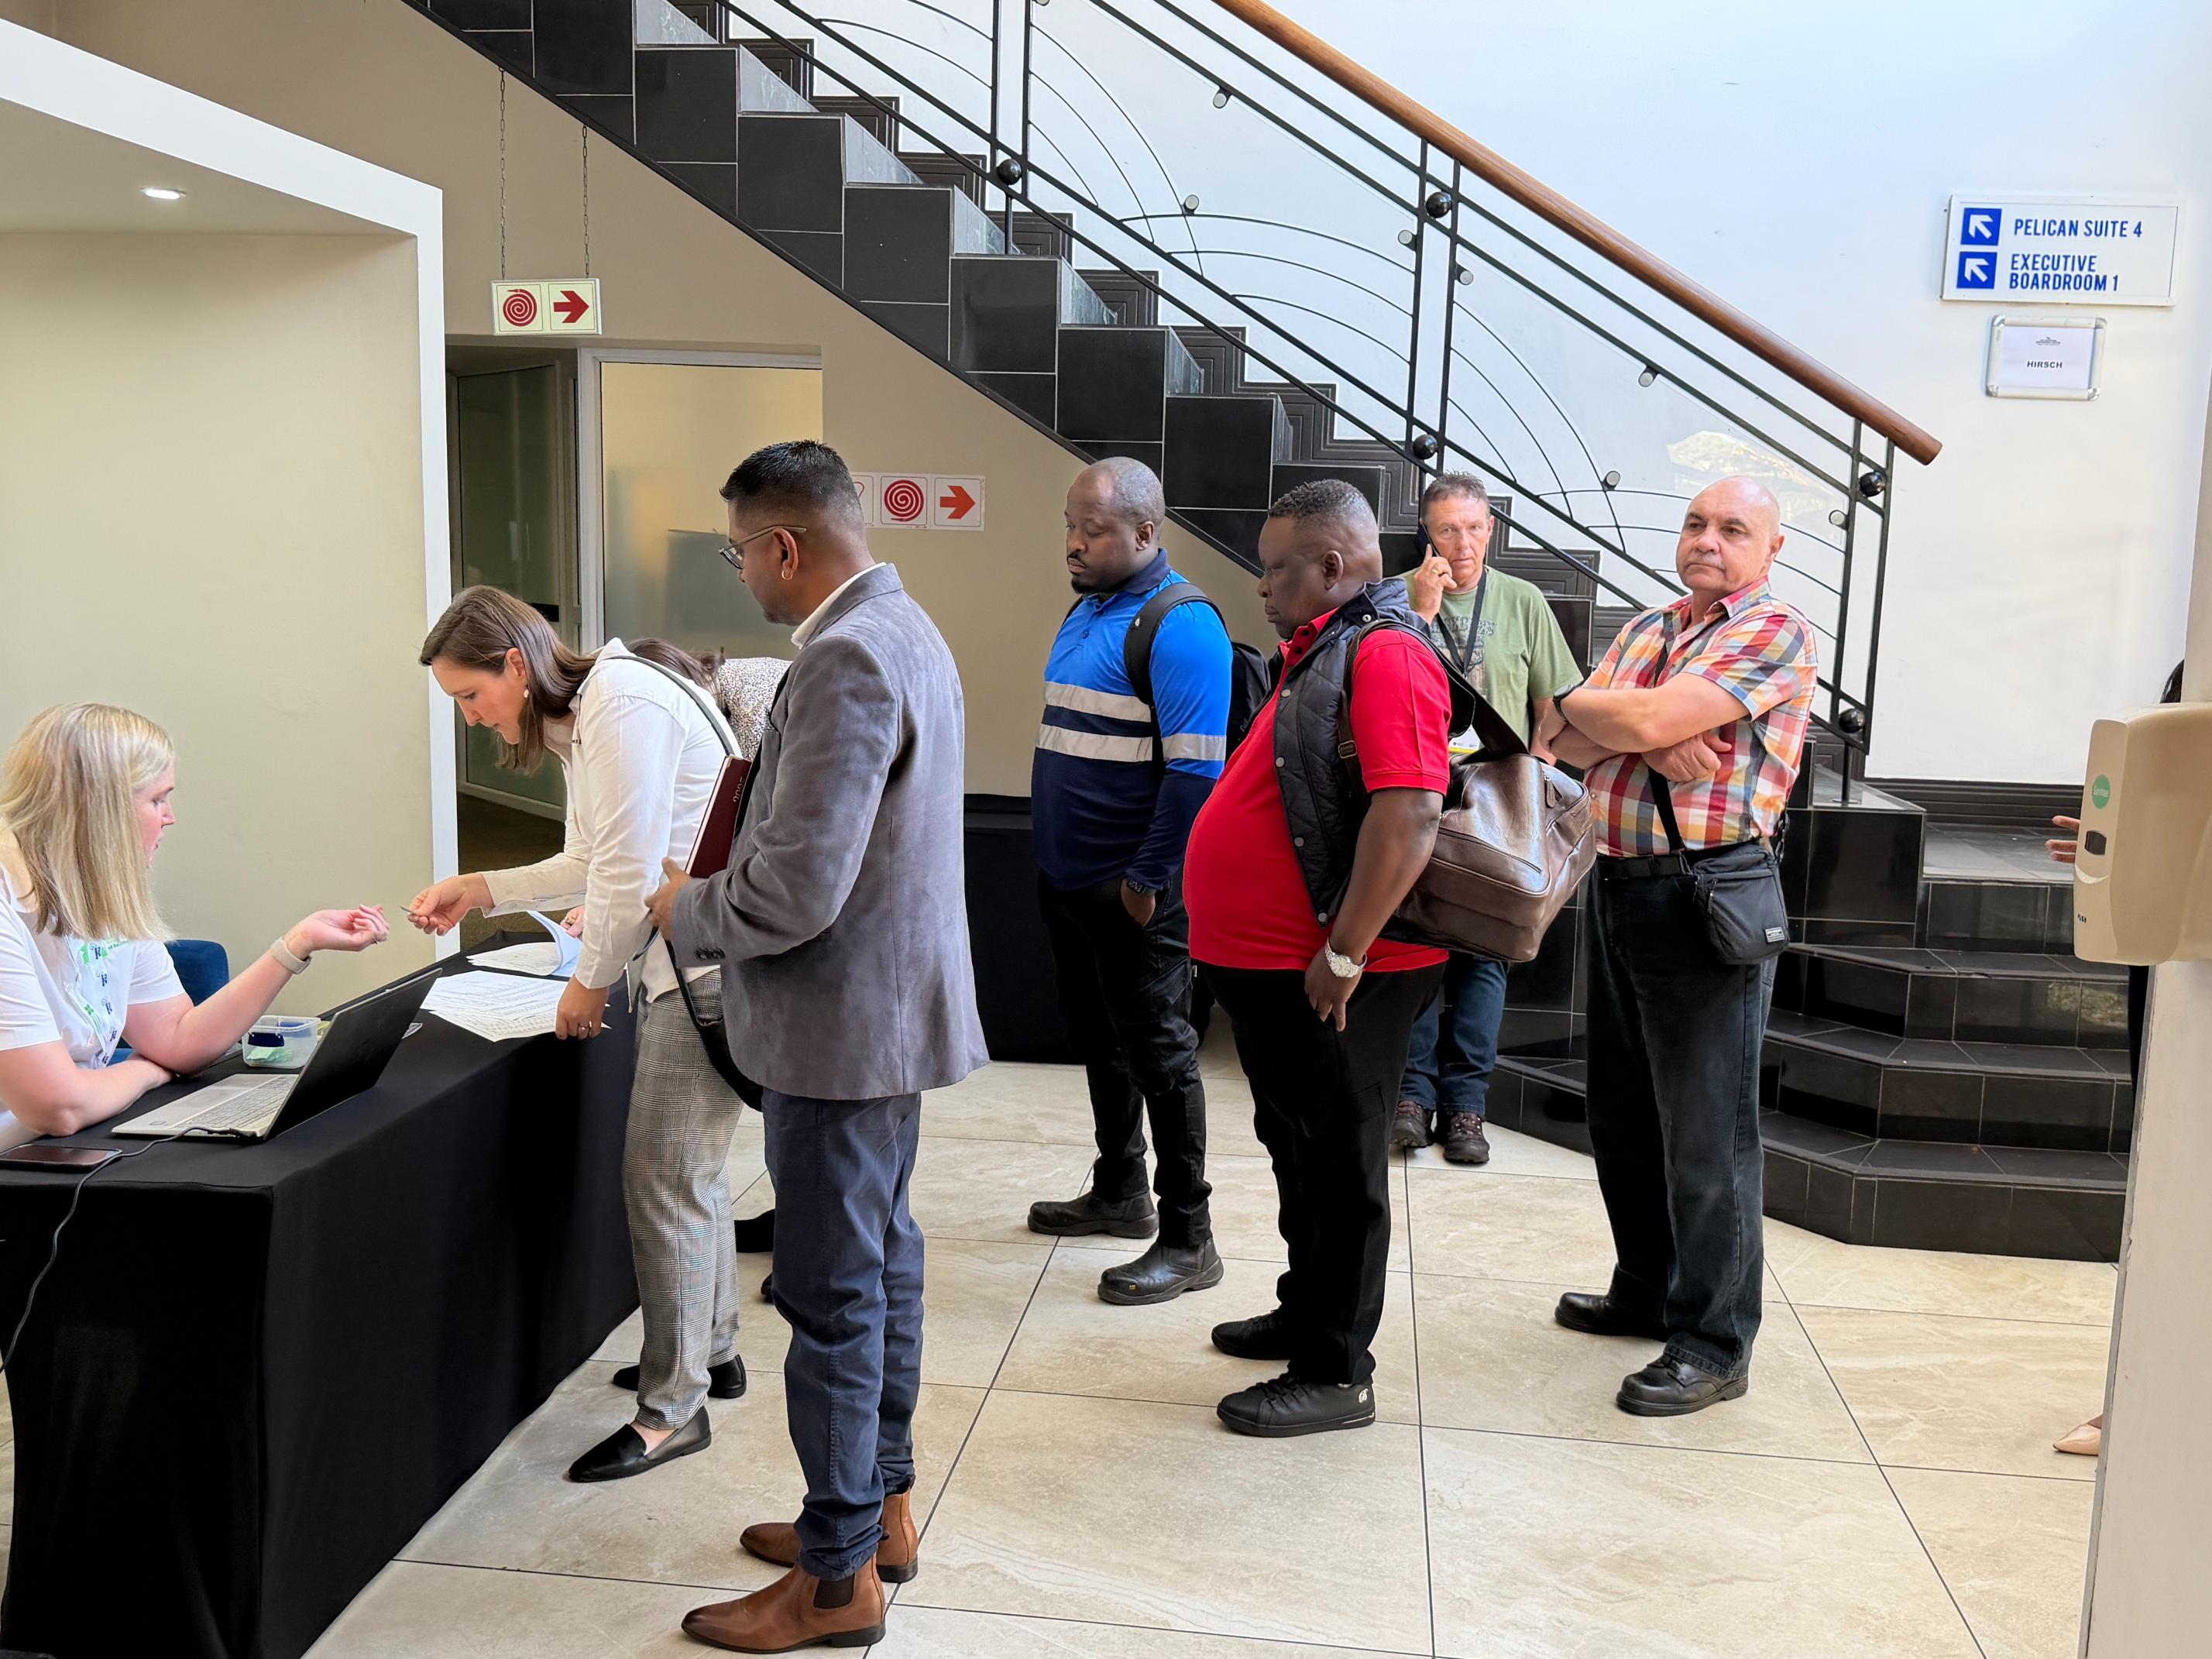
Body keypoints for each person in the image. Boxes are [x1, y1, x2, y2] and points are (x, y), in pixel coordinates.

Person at [647, 440, 985, 1652]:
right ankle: (878, 1512)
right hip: (882, 1019)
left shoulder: (844, 655)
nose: (741, 573)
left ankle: (837, 1581)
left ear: (783, 546)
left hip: (841, 1030)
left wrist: (680, 908)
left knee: (832, 1294)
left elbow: (794, 890)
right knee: (881, 1265)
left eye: (739, 553)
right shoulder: (908, 628)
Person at [406, 591, 744, 1486]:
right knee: (691, 1173)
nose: (473, 719)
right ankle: (713, 1351)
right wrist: (481, 887)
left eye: (471, 696)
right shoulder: (589, 715)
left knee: (663, 1178)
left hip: (703, 965)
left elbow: (626, 871)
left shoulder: (620, 704)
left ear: (515, 666)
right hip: (688, 957)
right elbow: (592, 862)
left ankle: (673, 1412)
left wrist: (589, 984)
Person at [1537, 476, 1817, 1417]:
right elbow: (1557, 734)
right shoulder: (1651, 626)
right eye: (1696, 523)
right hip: (1620, 883)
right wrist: (1644, 734)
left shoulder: (1774, 629)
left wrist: (1630, 721)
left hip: (1708, 893)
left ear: (1771, 548)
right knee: (1624, 1116)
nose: (1708, 539)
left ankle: (1713, 1342)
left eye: (1733, 529)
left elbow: (1624, 719)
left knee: (1707, 1133)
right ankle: (1647, 1290)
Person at [1183, 479, 1451, 1437]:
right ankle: (1307, 1312)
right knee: (1298, 1145)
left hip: (1346, 972)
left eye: (1276, 569)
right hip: (1279, 969)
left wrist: (1344, 953)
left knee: (1339, 1163)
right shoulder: (1324, 648)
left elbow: (1409, 812)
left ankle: (1337, 1371)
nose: (1261, 586)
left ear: (1333, 567)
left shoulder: (1388, 653)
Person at [1025, 458, 1231, 1304]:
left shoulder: (1182, 627)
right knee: (1099, 1036)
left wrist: (1145, 879)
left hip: (1133, 891)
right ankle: (1120, 1190)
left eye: (1095, 530)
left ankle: (1190, 1239)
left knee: (1162, 1054)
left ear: (1147, 533)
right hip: (1068, 881)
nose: (1074, 543)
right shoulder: (1088, 608)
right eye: (1070, 526)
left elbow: (1195, 775)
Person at [0, 702, 387, 1146]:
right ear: (102, 812)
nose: (170, 816)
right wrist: (145, 1071)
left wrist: (297, 943)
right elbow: (57, 1107)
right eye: (157, 799)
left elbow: (178, 1041)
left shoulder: (103, 893)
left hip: (55, 1149)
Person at [1393, 472, 1583, 1164]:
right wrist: (1422, 611)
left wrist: (1538, 768)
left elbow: (1552, 703)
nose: (1462, 543)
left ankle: (1466, 1108)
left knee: (1485, 952)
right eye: (1447, 529)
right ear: (1427, 533)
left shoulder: (1522, 600)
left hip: (1499, 796)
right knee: (1415, 943)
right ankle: (1411, 1098)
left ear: (1492, 529)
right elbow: (1387, 682)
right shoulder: (1399, 596)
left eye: (1474, 528)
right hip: (1419, 790)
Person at [2044, 656, 2183, 1459]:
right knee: (2163, 1176)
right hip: (2171, 958)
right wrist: (2123, 850)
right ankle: (2139, 1390)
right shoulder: (2195, 664)